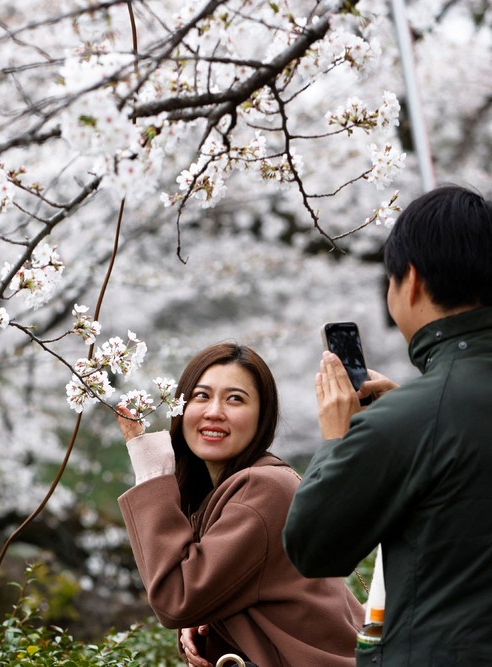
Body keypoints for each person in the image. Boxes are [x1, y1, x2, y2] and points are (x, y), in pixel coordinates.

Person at [282, 184, 492, 665]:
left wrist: (339, 438)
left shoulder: (410, 418)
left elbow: (313, 547)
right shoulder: (417, 415)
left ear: (411, 281)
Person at [117, 342, 362, 667]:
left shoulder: (263, 488)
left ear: (262, 417)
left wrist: (152, 470)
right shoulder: (231, 490)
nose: (214, 411)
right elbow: (210, 594)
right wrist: (203, 618)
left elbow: (176, 599)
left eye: (235, 399)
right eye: (202, 396)